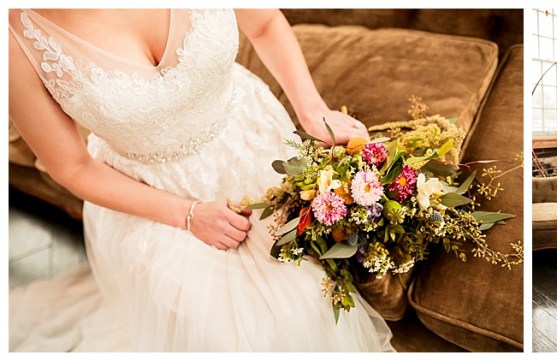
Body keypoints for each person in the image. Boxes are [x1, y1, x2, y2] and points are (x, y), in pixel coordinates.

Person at [8, 9, 394, 351]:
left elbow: (264, 23)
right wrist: (188, 215)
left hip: (254, 142)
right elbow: (72, 167)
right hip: (151, 197)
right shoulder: (15, 37)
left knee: (308, 297)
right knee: (224, 333)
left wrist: (312, 110)